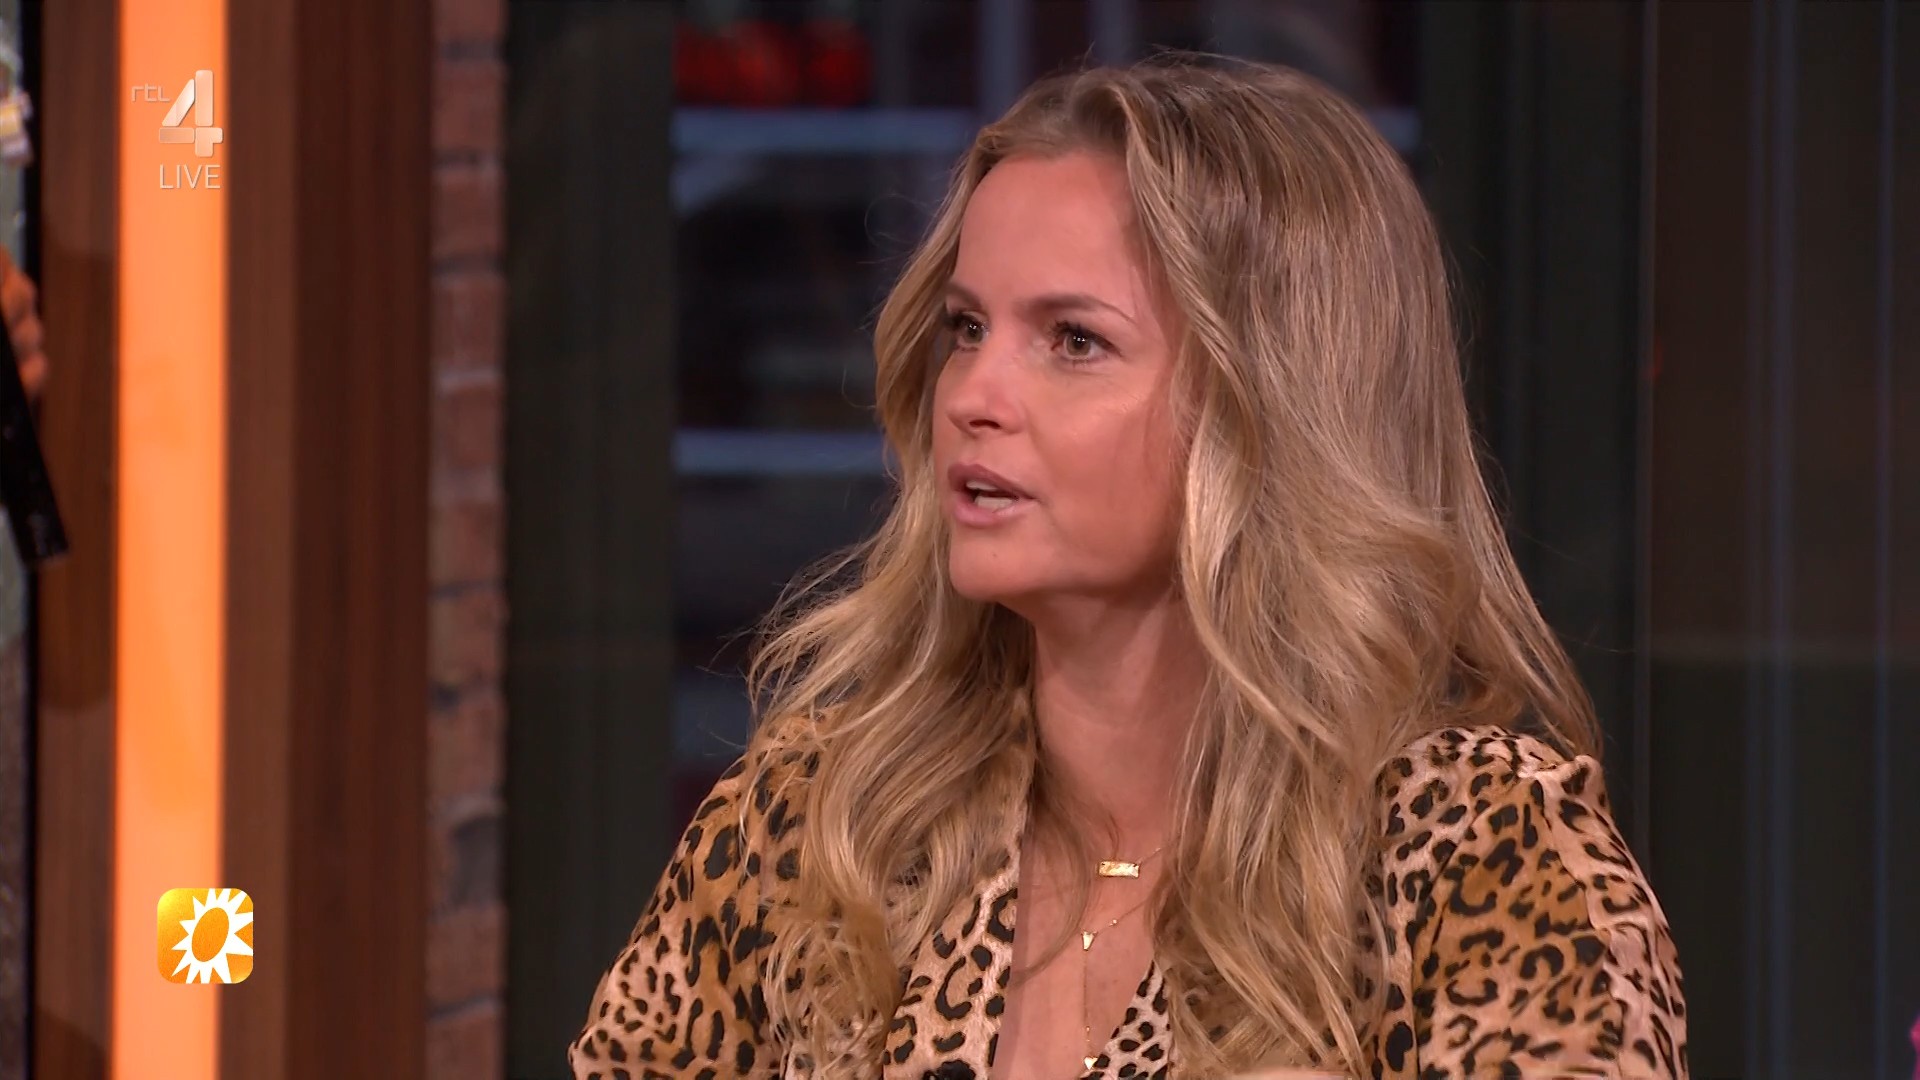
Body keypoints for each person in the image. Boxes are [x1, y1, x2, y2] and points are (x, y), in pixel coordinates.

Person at [570, 55, 1687, 1080]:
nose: (973, 396)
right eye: (966, 328)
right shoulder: (822, 820)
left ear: (1271, 405)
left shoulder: (1479, 854)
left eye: (1074, 341)